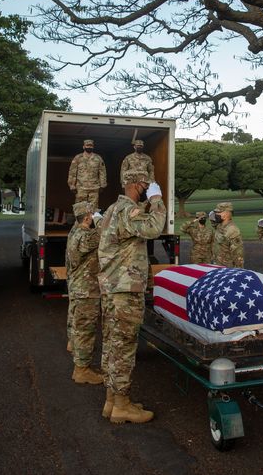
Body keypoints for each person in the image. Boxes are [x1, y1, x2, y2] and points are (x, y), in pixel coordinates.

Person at [98, 170, 166, 424]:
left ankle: (112, 401)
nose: (148, 189)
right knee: (124, 348)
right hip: (125, 291)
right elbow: (154, 227)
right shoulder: (127, 211)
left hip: (113, 289)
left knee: (113, 346)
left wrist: (147, 203)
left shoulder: (113, 210)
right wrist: (157, 199)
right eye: (147, 186)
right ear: (139, 185)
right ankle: (122, 405)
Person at [66, 201, 103, 385]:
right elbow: (104, 232)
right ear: (87, 217)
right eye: (92, 214)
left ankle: (77, 353)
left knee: (78, 326)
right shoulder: (85, 236)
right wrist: (100, 219)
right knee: (85, 331)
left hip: (77, 286)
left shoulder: (74, 232)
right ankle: (82, 370)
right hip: (86, 290)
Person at [68, 139, 107, 211]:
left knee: (93, 209)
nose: (89, 147)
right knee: (80, 210)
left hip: (94, 188)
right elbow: (72, 172)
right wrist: (72, 185)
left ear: (93, 147)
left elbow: (102, 172)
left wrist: (102, 185)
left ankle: (91, 222)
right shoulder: (78, 158)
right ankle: (80, 222)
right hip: (81, 188)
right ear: (83, 147)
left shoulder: (98, 158)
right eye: (87, 145)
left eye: (91, 146)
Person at [210, 201, 244, 268]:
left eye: (218, 212)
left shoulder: (232, 230)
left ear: (227, 214)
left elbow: (238, 255)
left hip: (227, 269)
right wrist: (212, 219)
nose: (216, 214)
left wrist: (238, 272)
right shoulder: (220, 226)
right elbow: (215, 225)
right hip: (217, 265)